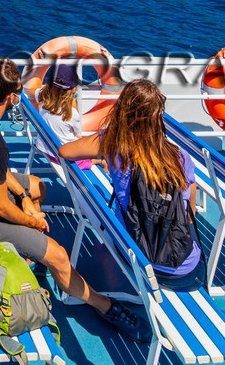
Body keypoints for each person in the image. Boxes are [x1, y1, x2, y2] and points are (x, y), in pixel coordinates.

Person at [0, 59, 148, 342]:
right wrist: (31, 220)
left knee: (38, 187)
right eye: (19, 91)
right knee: (59, 256)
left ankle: (30, 250)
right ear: (11, 97)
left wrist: (24, 196)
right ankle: (106, 306)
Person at [59, 78, 205, 290]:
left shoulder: (112, 144)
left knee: (103, 247)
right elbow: (189, 215)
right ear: (158, 115)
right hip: (184, 267)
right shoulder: (181, 157)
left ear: (122, 110)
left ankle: (116, 299)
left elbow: (65, 151)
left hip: (136, 255)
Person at [26, 62, 84, 146]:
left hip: (43, 146)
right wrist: (73, 103)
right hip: (66, 152)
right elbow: (76, 133)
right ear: (73, 90)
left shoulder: (42, 96)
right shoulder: (72, 113)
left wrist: (45, 89)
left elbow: (30, 91)